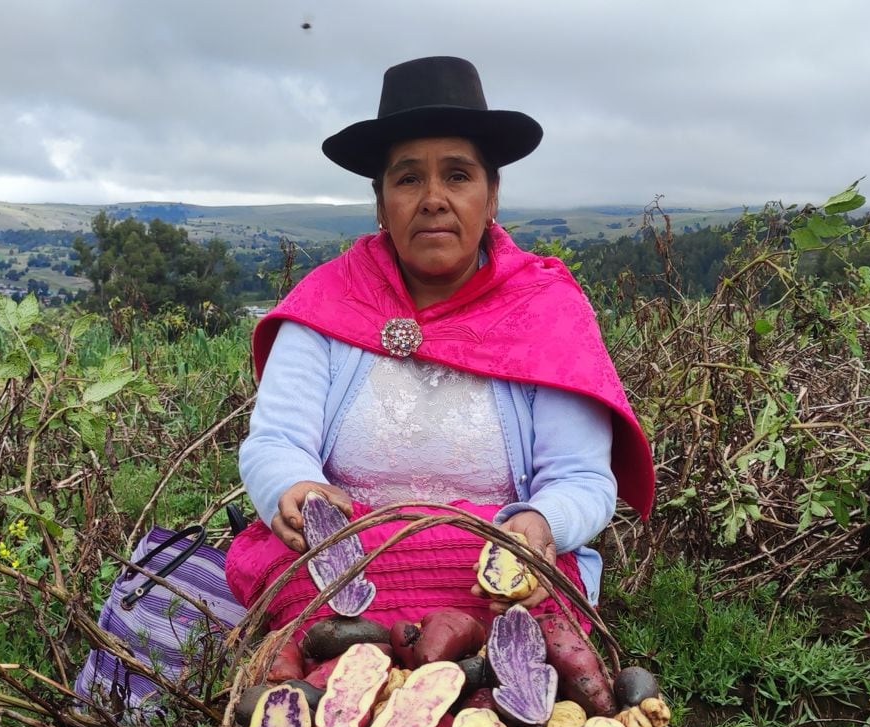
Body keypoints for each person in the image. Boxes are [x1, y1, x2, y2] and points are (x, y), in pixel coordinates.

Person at [225, 56, 654, 637]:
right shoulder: (326, 304)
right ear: (381, 204)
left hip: (490, 569)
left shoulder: (546, 312)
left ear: (492, 195)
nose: (432, 198)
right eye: (407, 179)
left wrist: (540, 521)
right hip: (345, 564)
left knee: (527, 613)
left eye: (457, 175)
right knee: (303, 604)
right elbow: (276, 440)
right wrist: (294, 489)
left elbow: (581, 479)